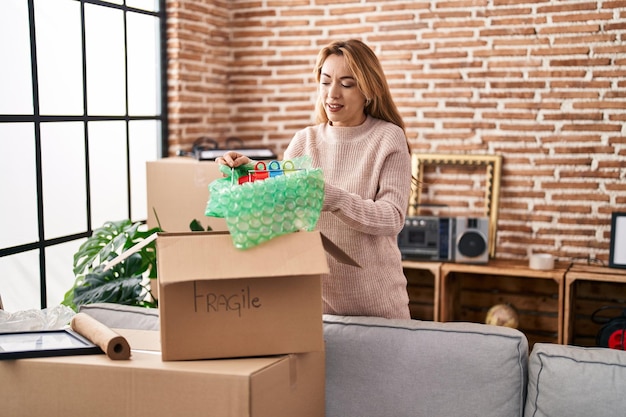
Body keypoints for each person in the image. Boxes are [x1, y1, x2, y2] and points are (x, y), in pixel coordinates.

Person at [217, 39, 413, 320]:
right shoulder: (305, 140)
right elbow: (283, 198)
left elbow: (392, 217)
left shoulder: (388, 138)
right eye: (325, 82)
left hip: (378, 308)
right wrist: (251, 171)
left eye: (347, 84)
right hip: (315, 306)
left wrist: (333, 198)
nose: (332, 94)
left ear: (369, 90)